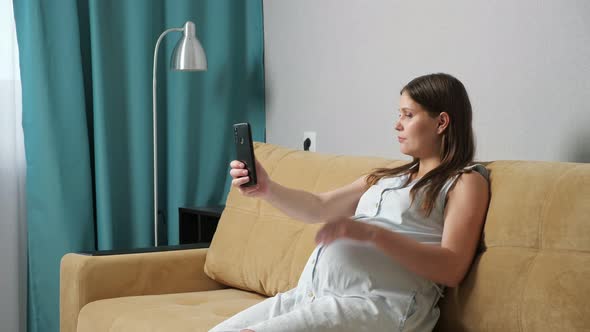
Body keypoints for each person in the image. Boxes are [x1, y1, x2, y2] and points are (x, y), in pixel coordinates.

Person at [209, 73, 490, 332]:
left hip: (378, 306)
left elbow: (452, 268)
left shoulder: (464, 182)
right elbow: (318, 207)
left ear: (441, 122)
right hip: (309, 295)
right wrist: (267, 189)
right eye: (399, 114)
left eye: (408, 114)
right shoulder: (386, 177)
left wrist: (372, 234)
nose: (397, 124)